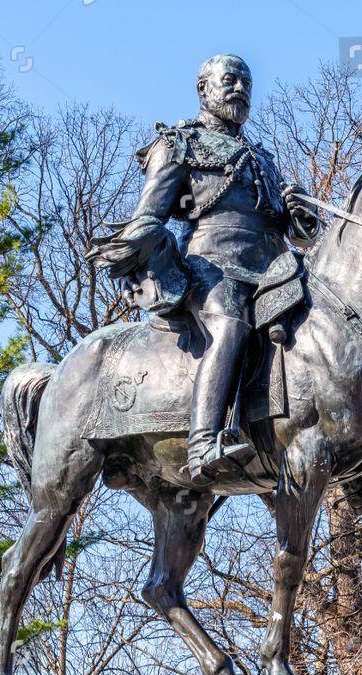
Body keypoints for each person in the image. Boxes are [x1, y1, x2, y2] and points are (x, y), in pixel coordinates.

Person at [91, 54, 320, 484]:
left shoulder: (262, 157)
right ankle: (203, 444)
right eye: (230, 81)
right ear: (204, 89)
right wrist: (139, 248)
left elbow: (287, 229)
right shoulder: (180, 143)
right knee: (230, 325)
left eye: (247, 84)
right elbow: (151, 213)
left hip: (274, 266)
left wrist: (298, 215)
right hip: (212, 266)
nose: (240, 90)